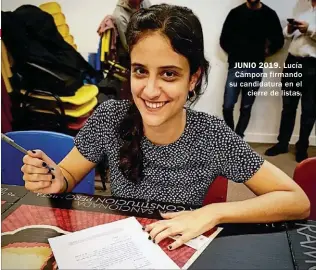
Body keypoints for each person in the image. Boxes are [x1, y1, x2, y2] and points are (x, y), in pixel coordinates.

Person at [21, 4, 310, 250]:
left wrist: (213, 213)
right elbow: (69, 173)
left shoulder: (212, 135)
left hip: (181, 249)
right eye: (140, 71)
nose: (150, 90)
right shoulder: (109, 117)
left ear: (193, 78)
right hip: (120, 246)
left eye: (169, 74)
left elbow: (295, 200)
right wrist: (55, 179)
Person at [220, 0, 284, 138]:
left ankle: (238, 137)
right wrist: (236, 53)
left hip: (255, 67)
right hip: (236, 66)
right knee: (227, 106)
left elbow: (279, 40)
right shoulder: (235, 13)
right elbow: (223, 39)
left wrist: (266, 52)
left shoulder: (269, 14)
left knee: (246, 107)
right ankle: (232, 138)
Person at [265, 0, 316, 162]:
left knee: (309, 110)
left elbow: (310, 32)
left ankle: (302, 147)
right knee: (288, 106)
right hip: (293, 62)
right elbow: (286, 35)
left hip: (313, 66)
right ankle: (282, 144)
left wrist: (309, 30)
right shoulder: (304, 11)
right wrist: (290, 28)